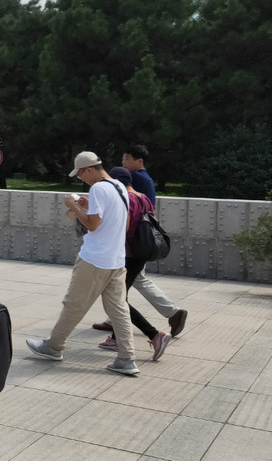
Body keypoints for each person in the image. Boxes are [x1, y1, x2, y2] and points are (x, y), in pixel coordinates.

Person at [27, 151, 140, 376]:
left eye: (80, 175)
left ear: (88, 170)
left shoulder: (97, 188)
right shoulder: (119, 187)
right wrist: (89, 207)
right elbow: (124, 225)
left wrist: (74, 206)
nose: (81, 179)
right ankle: (127, 359)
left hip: (94, 259)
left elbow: (92, 225)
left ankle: (54, 347)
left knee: (73, 304)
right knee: (119, 310)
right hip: (116, 261)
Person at [93, 145, 188, 337]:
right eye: (123, 160)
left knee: (121, 290)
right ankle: (116, 322)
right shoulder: (146, 179)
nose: (124, 163)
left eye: (127, 159)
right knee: (129, 284)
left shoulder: (133, 179)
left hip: (132, 244)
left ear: (139, 161)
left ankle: (168, 316)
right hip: (140, 242)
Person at [95, 167, 170, 360]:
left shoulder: (125, 199)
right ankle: (116, 338)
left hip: (126, 255)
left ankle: (154, 335)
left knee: (118, 299)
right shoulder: (143, 197)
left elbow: (124, 227)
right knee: (119, 297)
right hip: (141, 254)